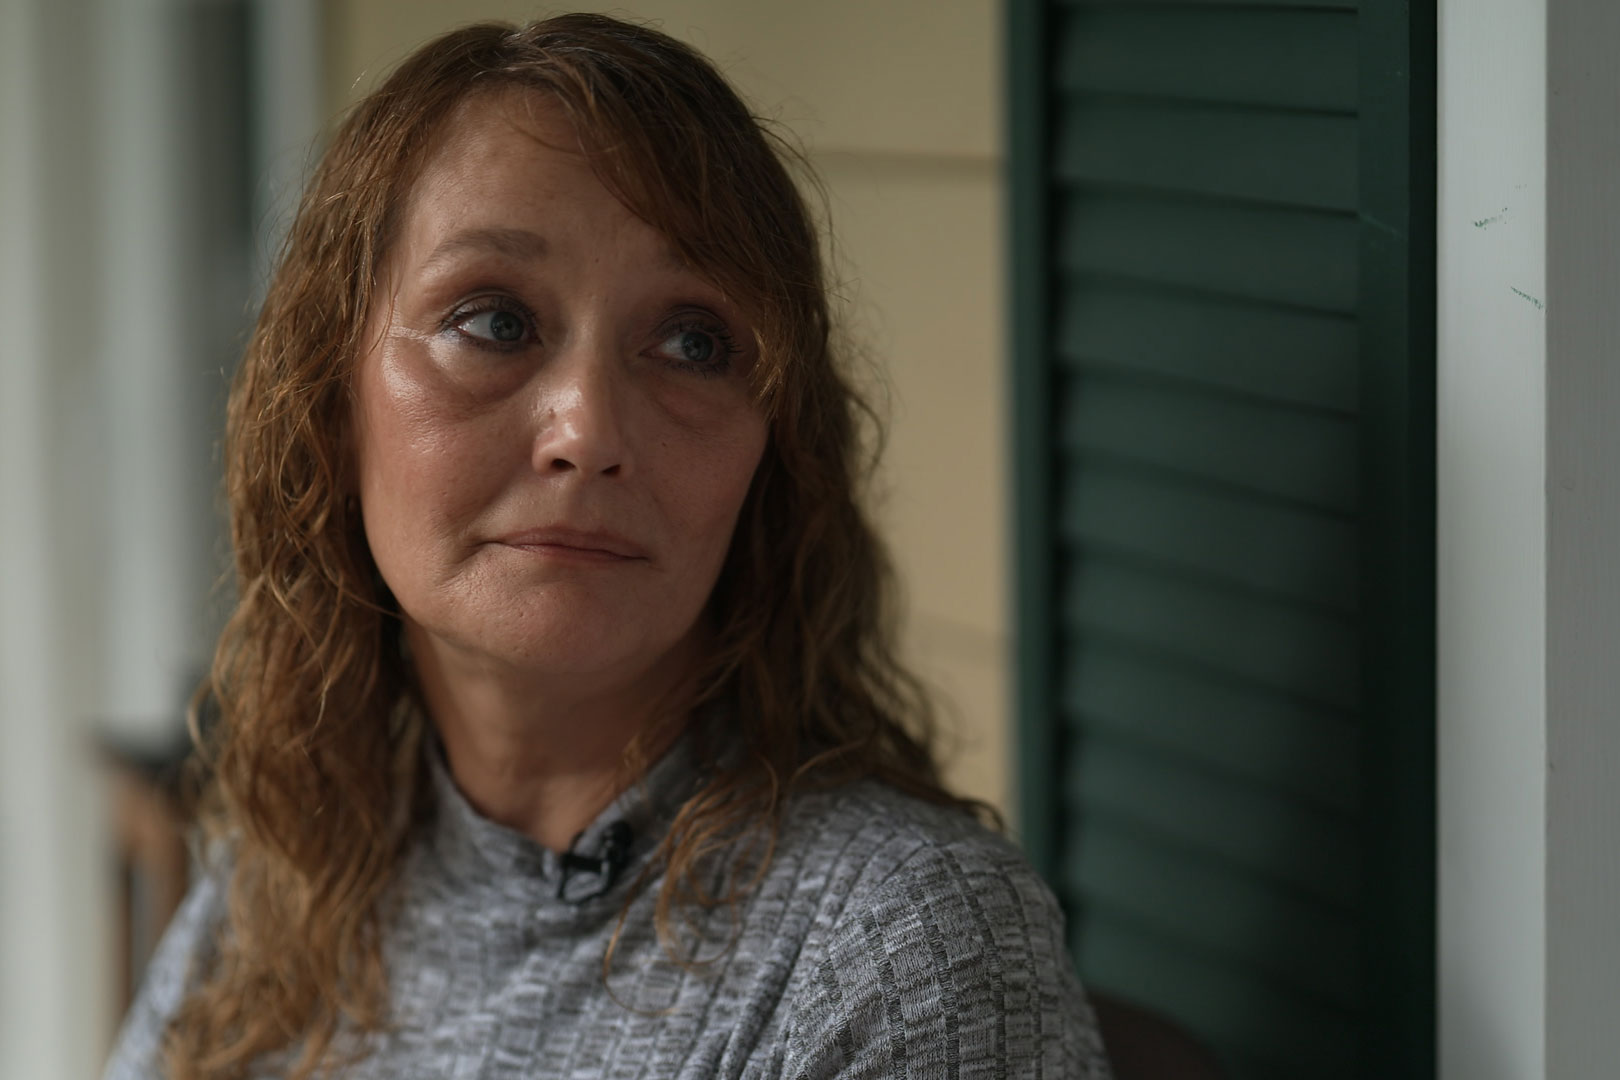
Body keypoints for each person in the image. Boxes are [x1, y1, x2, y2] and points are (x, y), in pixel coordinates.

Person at [102, 14, 1113, 1080]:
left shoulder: (890, 947)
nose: (588, 432)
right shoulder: (290, 871)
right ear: (330, 407)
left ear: (771, 450)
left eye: (692, 342)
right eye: (494, 321)